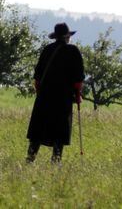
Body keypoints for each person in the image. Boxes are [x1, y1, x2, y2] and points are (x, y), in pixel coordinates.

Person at [26, 23, 85, 163]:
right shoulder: (73, 51)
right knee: (60, 131)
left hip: (44, 97)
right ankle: (56, 161)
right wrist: (77, 95)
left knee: (38, 130)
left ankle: (30, 158)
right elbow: (78, 79)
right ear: (67, 36)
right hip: (62, 98)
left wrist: (41, 93)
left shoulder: (47, 49)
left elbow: (37, 78)